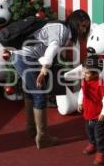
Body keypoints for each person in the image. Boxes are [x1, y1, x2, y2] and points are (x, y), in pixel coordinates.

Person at [10, 9, 91, 149]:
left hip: (24, 56)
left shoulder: (61, 28)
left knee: (31, 92)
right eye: (81, 25)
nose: (83, 29)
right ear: (74, 22)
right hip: (25, 57)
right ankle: (42, 137)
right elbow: (51, 49)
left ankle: (31, 129)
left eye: (86, 26)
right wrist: (44, 69)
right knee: (40, 94)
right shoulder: (63, 30)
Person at [78, 55, 104, 166]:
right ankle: (92, 144)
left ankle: (101, 153)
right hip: (88, 113)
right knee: (88, 131)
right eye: (84, 71)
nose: (84, 74)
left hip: (99, 115)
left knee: (98, 135)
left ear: (96, 73)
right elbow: (82, 92)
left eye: (87, 73)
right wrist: (80, 102)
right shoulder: (84, 81)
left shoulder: (102, 83)